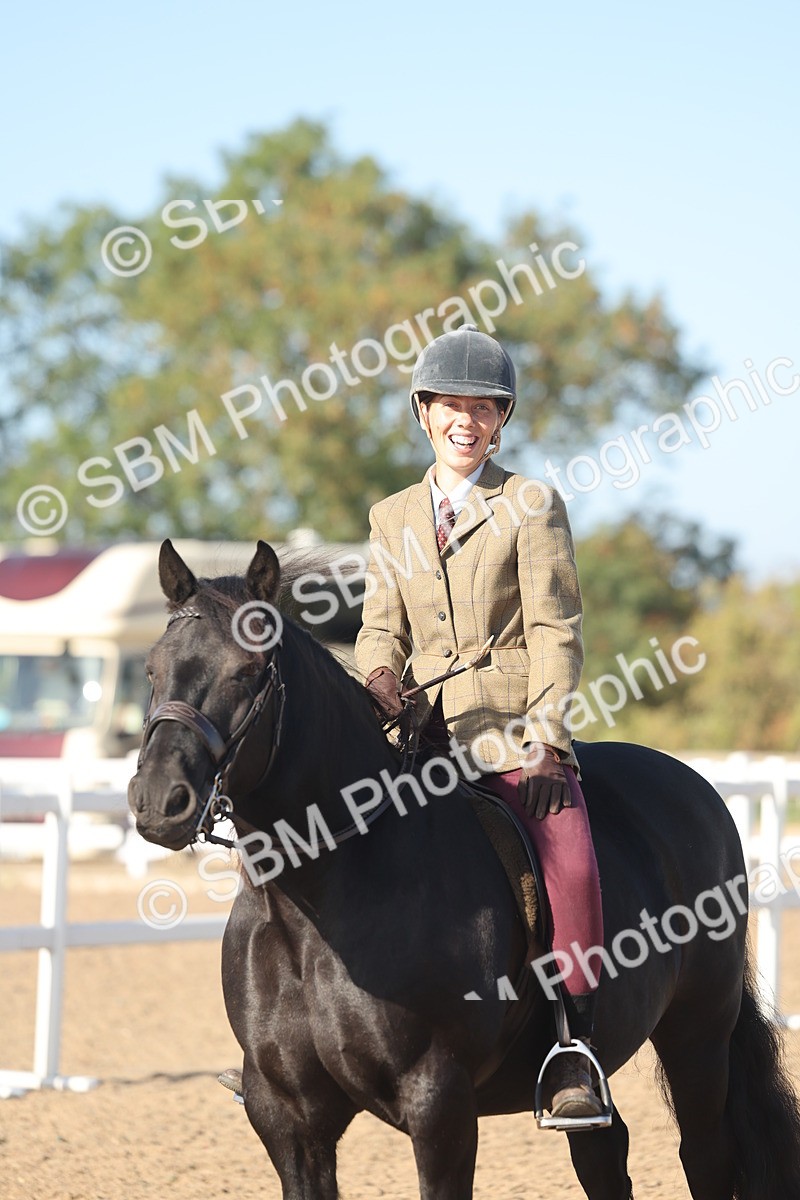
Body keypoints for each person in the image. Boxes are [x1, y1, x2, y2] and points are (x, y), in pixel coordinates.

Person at [354, 322, 606, 1123]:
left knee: (569, 861)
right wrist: (381, 674)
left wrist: (546, 742)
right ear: (423, 412)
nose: (467, 420)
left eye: (484, 407)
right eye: (451, 405)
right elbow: (378, 626)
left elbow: (554, 630)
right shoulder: (390, 515)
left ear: (502, 419)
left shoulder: (529, 504)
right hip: (421, 737)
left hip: (511, 730)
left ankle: (576, 1043)